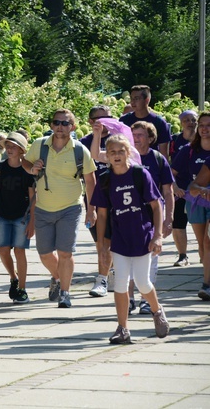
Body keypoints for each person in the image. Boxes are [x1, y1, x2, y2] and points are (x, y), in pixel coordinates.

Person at [90, 134, 169, 344]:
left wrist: (158, 235)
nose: (116, 155)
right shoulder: (106, 180)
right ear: (107, 155)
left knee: (143, 283)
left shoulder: (140, 174)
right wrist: (102, 244)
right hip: (120, 238)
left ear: (128, 152)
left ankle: (157, 310)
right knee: (120, 284)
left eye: (121, 151)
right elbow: (103, 213)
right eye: (112, 152)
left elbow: (156, 205)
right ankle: (123, 328)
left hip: (142, 236)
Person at [24, 109, 97, 308]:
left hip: (70, 208)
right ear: (51, 125)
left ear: (72, 127)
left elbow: (90, 181)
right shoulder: (40, 145)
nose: (60, 127)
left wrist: (92, 209)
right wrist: (32, 168)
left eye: (65, 123)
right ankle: (57, 277)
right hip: (43, 208)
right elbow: (25, 160)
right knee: (45, 253)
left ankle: (65, 293)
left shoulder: (80, 150)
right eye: (56, 122)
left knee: (65, 253)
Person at [0, 131, 35, 304]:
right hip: (4, 215)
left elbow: (33, 197)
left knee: (19, 250)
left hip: (22, 216)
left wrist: (33, 222)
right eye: (8, 145)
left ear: (22, 150)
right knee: (3, 249)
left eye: (14, 146)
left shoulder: (28, 170)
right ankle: (13, 278)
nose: (10, 149)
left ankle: (22, 288)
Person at [130, 121, 174, 313]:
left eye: (140, 135)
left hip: (153, 216)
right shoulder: (126, 157)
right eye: (133, 134)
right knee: (127, 258)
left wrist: (168, 218)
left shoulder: (158, 159)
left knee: (151, 258)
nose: (136, 139)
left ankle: (146, 300)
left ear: (150, 138)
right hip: (129, 216)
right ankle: (129, 298)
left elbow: (168, 190)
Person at [175, 111, 210, 296]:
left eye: (208, 125)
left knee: (208, 240)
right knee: (202, 242)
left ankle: (206, 282)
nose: (205, 129)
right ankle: (207, 275)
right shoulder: (189, 150)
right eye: (202, 125)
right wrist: (174, 188)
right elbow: (170, 172)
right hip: (195, 200)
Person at [81, 105, 114, 298]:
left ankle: (106, 276)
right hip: (95, 199)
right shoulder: (84, 143)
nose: (104, 123)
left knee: (112, 241)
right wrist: (89, 208)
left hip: (119, 197)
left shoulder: (119, 139)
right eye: (99, 119)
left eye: (108, 118)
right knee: (101, 241)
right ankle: (106, 275)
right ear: (91, 122)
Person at [169, 110, 197, 267]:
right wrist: (173, 186)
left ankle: (203, 254)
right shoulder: (174, 141)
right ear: (181, 123)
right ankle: (182, 255)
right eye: (187, 120)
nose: (191, 122)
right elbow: (167, 166)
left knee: (203, 224)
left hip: (200, 190)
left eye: (193, 119)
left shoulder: (204, 141)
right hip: (180, 189)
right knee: (178, 224)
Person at [119, 85, 172, 159]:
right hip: (130, 164)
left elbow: (164, 154)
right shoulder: (124, 121)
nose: (132, 102)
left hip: (152, 165)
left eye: (136, 99)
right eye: (131, 99)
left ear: (147, 100)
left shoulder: (159, 123)